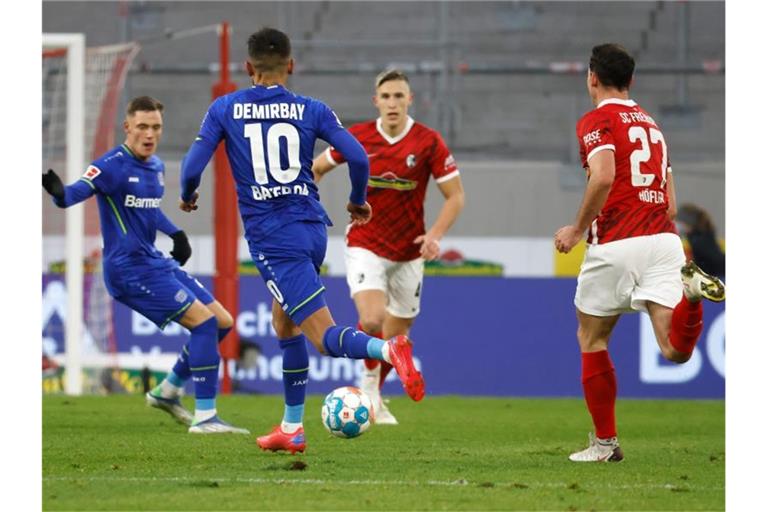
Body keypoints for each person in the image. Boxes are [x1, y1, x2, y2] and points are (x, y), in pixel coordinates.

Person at [178, 27, 425, 454]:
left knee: (323, 336)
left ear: (248, 67)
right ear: (291, 66)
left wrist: (187, 195)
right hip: (312, 230)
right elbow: (359, 157)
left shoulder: (224, 109)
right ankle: (292, 427)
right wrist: (356, 201)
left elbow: (191, 168)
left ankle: (388, 348)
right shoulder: (313, 109)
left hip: (274, 239)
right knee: (283, 322)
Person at [553, 44, 725, 462]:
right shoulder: (652, 125)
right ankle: (692, 297)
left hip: (617, 241)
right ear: (631, 80)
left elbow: (604, 175)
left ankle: (606, 445)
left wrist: (577, 229)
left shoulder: (596, 121)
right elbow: (669, 203)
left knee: (591, 338)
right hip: (665, 241)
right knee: (675, 349)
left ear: (592, 77)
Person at [42, 96, 248, 434]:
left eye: (155, 127)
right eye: (142, 127)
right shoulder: (111, 165)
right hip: (127, 270)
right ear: (127, 127)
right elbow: (76, 192)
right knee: (205, 324)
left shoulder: (155, 166)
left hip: (152, 261)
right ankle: (206, 417)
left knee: (223, 322)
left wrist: (175, 233)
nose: (149, 134)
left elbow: (148, 209)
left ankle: (168, 391)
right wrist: (58, 193)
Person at [312, 69, 464, 425]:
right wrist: (310, 205)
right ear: (375, 101)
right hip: (366, 241)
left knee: (397, 337)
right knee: (371, 319)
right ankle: (369, 394)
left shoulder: (428, 142)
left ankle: (373, 394)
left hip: (410, 250)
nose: (392, 103)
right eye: (386, 96)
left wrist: (435, 236)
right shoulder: (358, 137)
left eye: (399, 96)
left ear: (410, 100)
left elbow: (455, 196)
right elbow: (317, 167)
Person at [676, 203, 725, 279]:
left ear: (688, 223)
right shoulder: (702, 235)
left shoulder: (698, 240)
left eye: (679, 221)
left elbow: (710, 262)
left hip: (717, 277)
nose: (677, 225)